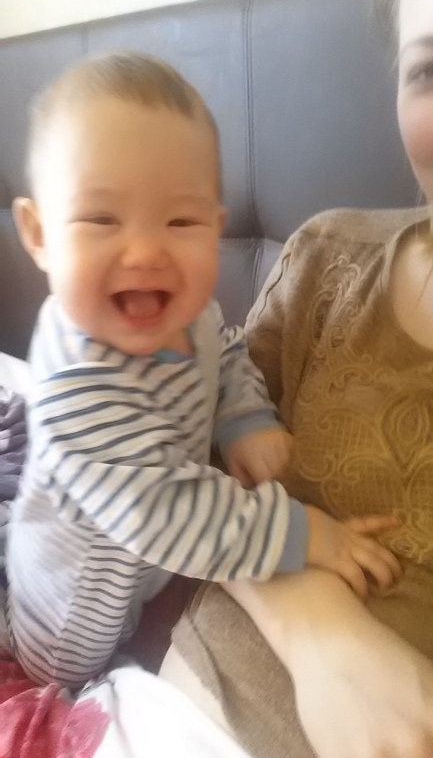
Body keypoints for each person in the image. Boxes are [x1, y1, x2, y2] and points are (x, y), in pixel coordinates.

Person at [5, 52, 398, 688]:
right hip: (72, 612)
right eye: (101, 218)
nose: (144, 251)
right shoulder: (77, 390)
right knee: (77, 682)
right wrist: (309, 536)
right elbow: (171, 511)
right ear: (39, 233)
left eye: (181, 220)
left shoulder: (188, 313)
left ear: (215, 229)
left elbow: (227, 351)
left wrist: (245, 419)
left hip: (148, 566)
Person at [167, 0, 433, 757]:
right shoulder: (328, 259)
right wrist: (315, 625)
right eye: (429, 73)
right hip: (159, 708)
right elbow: (175, 463)